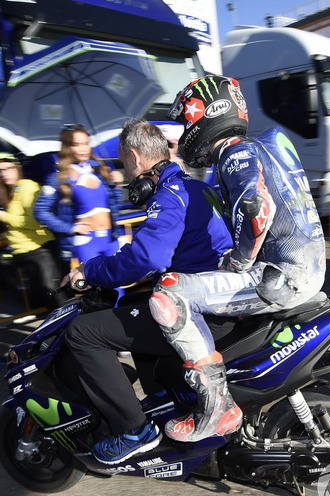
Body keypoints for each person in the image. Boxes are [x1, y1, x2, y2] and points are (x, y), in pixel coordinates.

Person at [149, 75, 327, 442]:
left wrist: (240, 261)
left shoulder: (233, 153)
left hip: (278, 277)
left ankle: (215, 406)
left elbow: (257, 209)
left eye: (185, 122)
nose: (184, 133)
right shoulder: (273, 142)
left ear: (207, 115)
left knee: (169, 295)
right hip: (310, 269)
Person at [61, 118, 233, 464]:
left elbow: (147, 258)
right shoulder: (199, 188)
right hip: (221, 297)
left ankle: (134, 430)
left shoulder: (170, 196)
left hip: (197, 311)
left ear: (137, 157)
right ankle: (165, 399)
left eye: (124, 164)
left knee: (82, 333)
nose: (125, 174)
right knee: (138, 301)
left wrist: (90, 272)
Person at [34, 124, 124, 274]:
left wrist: (118, 186)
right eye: (77, 144)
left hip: (111, 238)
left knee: (118, 284)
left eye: (86, 143)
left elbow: (114, 205)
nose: (83, 149)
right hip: (87, 242)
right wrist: (70, 228)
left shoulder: (100, 171)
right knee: (96, 289)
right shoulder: (58, 178)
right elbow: (40, 211)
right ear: (67, 147)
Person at [0, 152, 64, 310]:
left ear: (17, 168)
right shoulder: (12, 191)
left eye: (8, 168)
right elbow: (18, 224)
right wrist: (4, 236)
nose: (3, 174)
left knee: (57, 299)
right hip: (25, 252)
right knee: (43, 301)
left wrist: (4, 217)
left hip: (40, 251)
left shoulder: (28, 187)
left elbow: (35, 222)